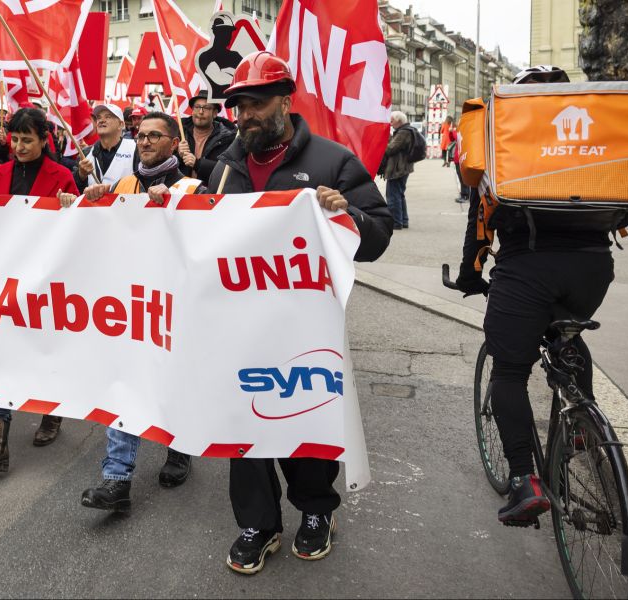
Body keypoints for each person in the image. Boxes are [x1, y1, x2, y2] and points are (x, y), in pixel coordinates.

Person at [207, 51, 393, 575]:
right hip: (239, 326)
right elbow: (197, 228)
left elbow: (377, 235)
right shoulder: (228, 168)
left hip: (303, 329)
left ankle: (316, 511)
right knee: (243, 425)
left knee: (303, 417)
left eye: (257, 103)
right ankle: (258, 524)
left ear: (286, 100)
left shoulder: (334, 161)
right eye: (238, 107)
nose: (246, 116)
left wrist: (348, 212)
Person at [453, 64, 628, 526]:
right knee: (566, 337)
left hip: (528, 268)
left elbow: (480, 220)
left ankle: (523, 481)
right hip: (594, 267)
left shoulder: (504, 140)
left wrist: (472, 274)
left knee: (509, 372)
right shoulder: (593, 134)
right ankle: (578, 428)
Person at [59, 111, 203, 512]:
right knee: (123, 384)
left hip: (172, 306)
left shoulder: (193, 186)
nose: (145, 142)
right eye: (140, 136)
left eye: (155, 136)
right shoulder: (123, 184)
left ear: (174, 143)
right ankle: (117, 478)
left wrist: (173, 207)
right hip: (127, 308)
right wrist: (84, 203)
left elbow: (204, 245)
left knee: (170, 381)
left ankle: (179, 448)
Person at [0, 107, 78, 471]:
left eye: (27, 139)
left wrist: (72, 207)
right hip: (7, 280)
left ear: (44, 140)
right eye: (15, 139)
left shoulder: (62, 176)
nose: (20, 146)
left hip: (46, 282)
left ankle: (51, 413)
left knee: (43, 351)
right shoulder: (0, 174)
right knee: (2, 354)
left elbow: (82, 227)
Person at [177, 90, 236, 187]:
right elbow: (164, 166)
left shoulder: (228, 138)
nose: (200, 112)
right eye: (197, 107)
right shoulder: (179, 132)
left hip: (210, 196)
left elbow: (228, 172)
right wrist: (177, 154)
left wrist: (198, 164)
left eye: (206, 108)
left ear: (215, 113)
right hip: (180, 195)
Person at [72, 103, 137, 192]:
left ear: (121, 124)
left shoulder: (136, 148)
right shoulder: (85, 153)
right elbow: (75, 190)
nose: (101, 120)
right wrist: (81, 175)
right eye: (98, 117)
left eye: (108, 117)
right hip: (94, 206)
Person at [196, 14, 243, 100]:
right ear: (215, 32)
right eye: (224, 32)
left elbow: (243, 78)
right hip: (216, 103)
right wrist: (233, 75)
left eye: (230, 32)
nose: (228, 35)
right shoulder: (204, 56)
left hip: (234, 101)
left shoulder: (236, 56)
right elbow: (218, 79)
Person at [381, 111, 415, 230]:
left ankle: (396, 222)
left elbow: (390, 149)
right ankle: (403, 220)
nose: (390, 123)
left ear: (399, 121)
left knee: (393, 196)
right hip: (401, 168)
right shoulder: (405, 131)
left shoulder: (404, 132)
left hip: (398, 169)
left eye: (392, 121)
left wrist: (383, 139)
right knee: (399, 195)